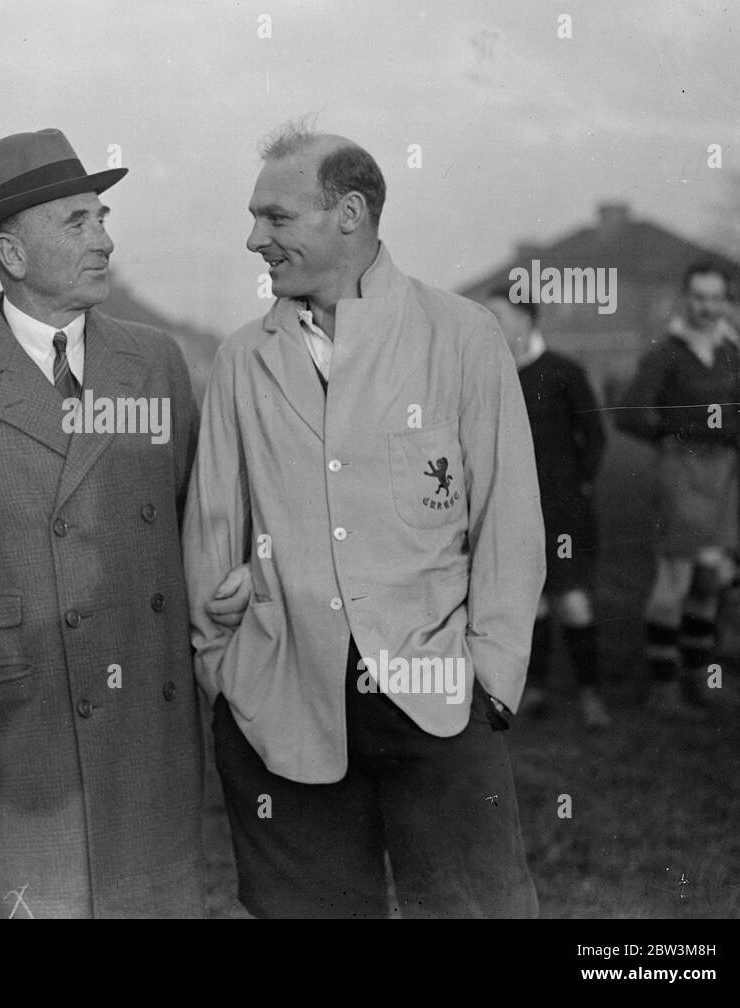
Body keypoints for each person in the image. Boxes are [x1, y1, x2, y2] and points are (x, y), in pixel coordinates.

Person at [0, 128, 248, 918]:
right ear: (10, 251)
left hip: (150, 719)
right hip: (16, 730)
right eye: (77, 223)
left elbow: (193, 526)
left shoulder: (156, 362)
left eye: (101, 216)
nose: (106, 240)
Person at [183, 119, 544, 918]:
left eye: (275, 218)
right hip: (281, 701)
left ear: (349, 213)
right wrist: (226, 671)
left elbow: (510, 523)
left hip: (440, 695)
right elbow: (211, 530)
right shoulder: (244, 357)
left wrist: (491, 677)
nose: (254, 239)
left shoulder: (460, 335)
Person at [614, 263, 740, 719]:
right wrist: (682, 432)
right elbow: (631, 413)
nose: (707, 307)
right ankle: (664, 687)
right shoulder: (667, 351)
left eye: (716, 298)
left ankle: (697, 681)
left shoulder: (730, 352)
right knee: (675, 580)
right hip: (681, 470)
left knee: (709, 579)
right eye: (699, 297)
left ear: (725, 302)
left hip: (723, 472)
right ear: (686, 299)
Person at [481, 288, 611, 729]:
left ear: (524, 319)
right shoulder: (489, 372)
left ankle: (591, 695)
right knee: (527, 604)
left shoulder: (562, 372)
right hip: (507, 511)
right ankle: (532, 690)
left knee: (571, 600)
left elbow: (595, 437)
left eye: (497, 314)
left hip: (561, 511)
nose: (489, 322)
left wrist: (577, 487)